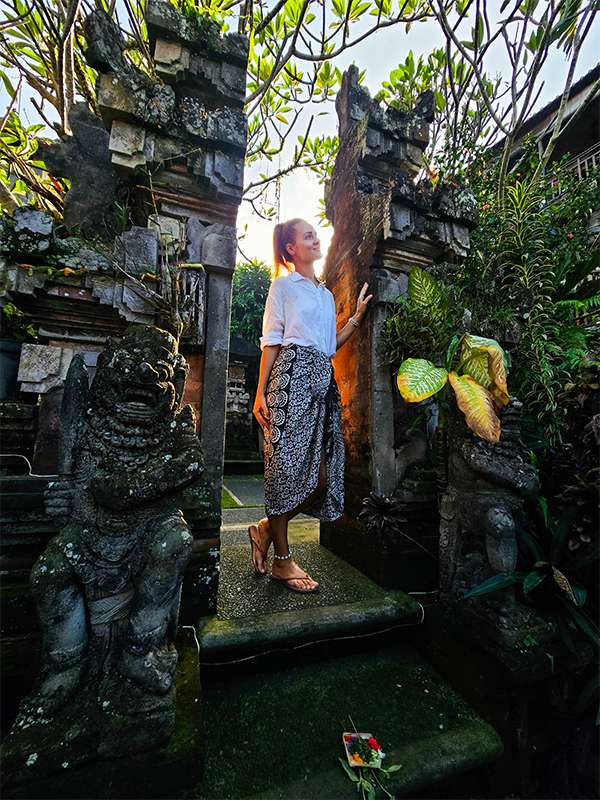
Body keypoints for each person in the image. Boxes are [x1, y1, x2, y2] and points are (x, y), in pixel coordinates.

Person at [249, 218, 372, 593]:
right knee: (285, 470)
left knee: (320, 476)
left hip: (321, 383)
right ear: (291, 249)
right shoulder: (283, 287)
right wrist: (260, 392)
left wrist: (356, 318)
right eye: (307, 236)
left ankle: (267, 528)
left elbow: (330, 344)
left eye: (315, 234)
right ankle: (283, 563)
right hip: (289, 379)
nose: (315, 239)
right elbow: (272, 341)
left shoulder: (325, 294)